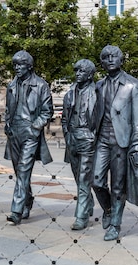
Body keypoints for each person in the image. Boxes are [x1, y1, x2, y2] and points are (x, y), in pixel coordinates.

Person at [92, 45, 138, 241]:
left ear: (121, 60)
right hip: (102, 138)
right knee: (96, 180)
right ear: (101, 62)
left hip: (122, 141)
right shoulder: (99, 85)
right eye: (106, 57)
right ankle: (108, 209)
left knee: (118, 186)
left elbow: (137, 118)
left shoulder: (132, 85)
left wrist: (136, 144)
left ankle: (115, 225)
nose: (110, 59)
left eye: (114, 56)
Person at [4, 50, 53, 225]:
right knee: (19, 172)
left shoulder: (40, 85)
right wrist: (7, 124)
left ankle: (16, 211)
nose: (17, 68)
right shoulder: (12, 85)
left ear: (29, 66)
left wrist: (35, 127)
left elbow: (48, 112)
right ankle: (27, 199)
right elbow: (8, 109)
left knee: (24, 170)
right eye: (15, 65)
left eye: (20, 64)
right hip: (14, 133)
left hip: (30, 133)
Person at [61, 59, 96, 230]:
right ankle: (88, 203)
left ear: (90, 74)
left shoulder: (97, 93)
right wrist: (67, 135)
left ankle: (81, 216)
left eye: (81, 71)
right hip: (72, 139)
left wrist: (93, 136)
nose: (77, 74)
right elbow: (64, 118)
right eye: (76, 71)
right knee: (77, 177)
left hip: (88, 139)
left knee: (84, 178)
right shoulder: (69, 94)